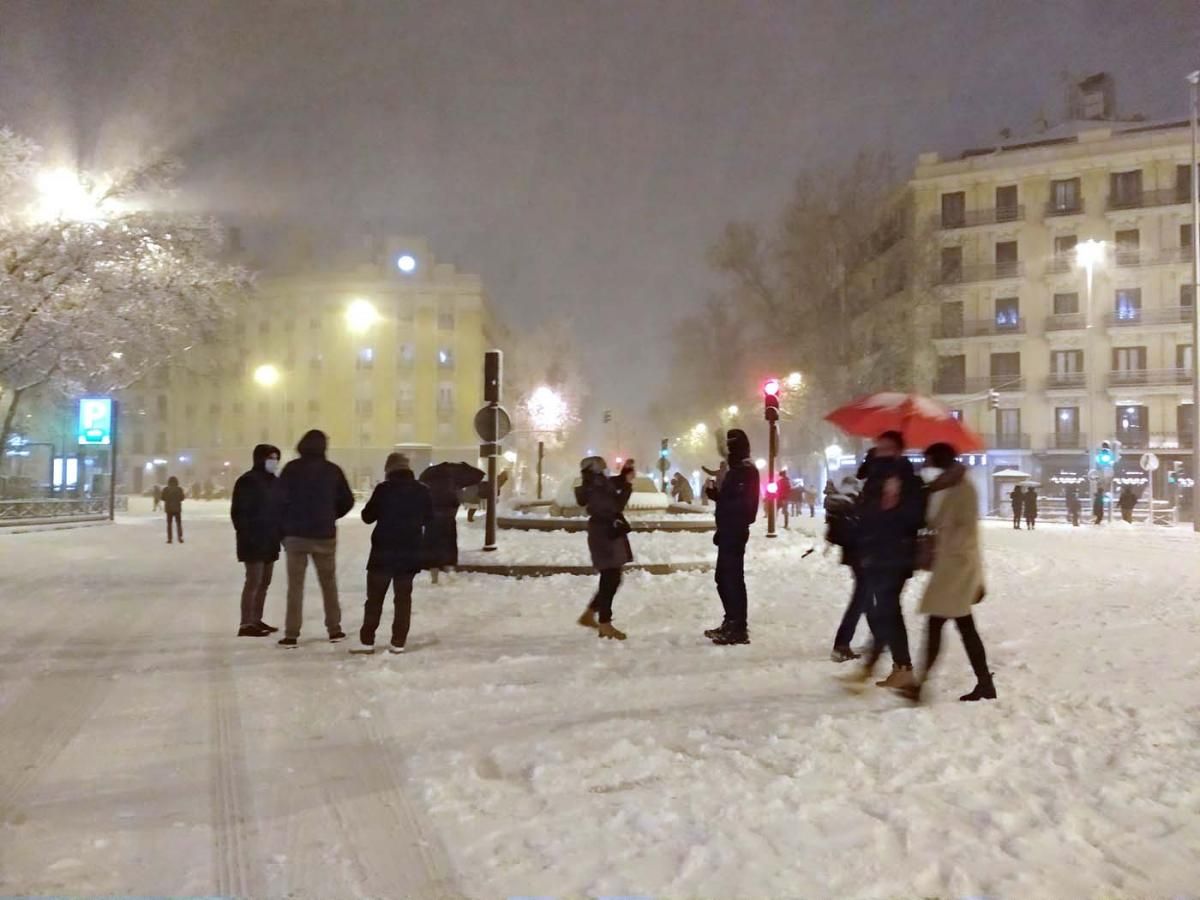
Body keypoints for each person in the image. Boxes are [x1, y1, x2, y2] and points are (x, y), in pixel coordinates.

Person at [898, 443, 995, 703]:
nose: (926, 464)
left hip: (957, 567)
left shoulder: (963, 489)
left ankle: (920, 686)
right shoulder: (949, 486)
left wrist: (940, 537)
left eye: (929, 459)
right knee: (963, 627)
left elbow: (965, 532)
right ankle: (984, 683)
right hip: (953, 568)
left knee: (937, 623)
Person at [844, 431, 924, 690]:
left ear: (899, 451)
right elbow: (866, 513)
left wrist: (894, 505)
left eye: (888, 447)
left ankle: (895, 668)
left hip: (895, 554)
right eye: (879, 447)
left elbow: (916, 518)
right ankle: (895, 668)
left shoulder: (907, 479)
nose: (882, 451)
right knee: (885, 611)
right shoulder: (875, 477)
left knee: (886, 611)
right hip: (875, 552)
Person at [275, 429, 354, 648]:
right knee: (329, 584)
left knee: (295, 587)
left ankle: (291, 634)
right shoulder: (333, 471)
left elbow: (278, 501)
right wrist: (330, 514)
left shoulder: (291, 470)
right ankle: (335, 629)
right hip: (324, 536)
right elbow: (347, 500)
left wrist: (284, 527)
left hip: (296, 536)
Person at [352, 453, 433, 654]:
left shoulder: (383, 490)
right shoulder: (422, 491)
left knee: (374, 599)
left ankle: (367, 641)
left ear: (389, 470)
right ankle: (398, 642)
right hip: (409, 553)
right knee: (403, 599)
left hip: (383, 553)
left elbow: (367, 517)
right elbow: (429, 518)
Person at [703, 429, 760, 645]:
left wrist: (725, 504)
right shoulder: (736, 470)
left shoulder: (747, 471)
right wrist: (716, 495)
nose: (727, 450)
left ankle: (738, 627)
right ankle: (731, 621)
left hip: (735, 533)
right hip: (728, 531)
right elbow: (731, 500)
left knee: (732, 579)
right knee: (723, 578)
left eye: (730, 446)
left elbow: (747, 508)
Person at [575, 456, 635, 640]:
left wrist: (624, 475)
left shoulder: (595, 482)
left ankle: (590, 614)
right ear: (594, 469)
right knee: (611, 577)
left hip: (606, 532)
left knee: (612, 577)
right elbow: (615, 504)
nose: (605, 469)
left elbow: (610, 483)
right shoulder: (594, 485)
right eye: (601, 467)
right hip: (605, 534)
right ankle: (604, 622)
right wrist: (627, 486)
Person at [231, 444, 283, 637]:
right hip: (252, 540)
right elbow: (239, 513)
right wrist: (246, 534)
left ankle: (256, 618)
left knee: (265, 582)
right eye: (271, 457)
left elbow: (280, 509)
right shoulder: (247, 481)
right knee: (254, 580)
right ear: (260, 459)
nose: (274, 462)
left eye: (277, 458)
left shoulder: (275, 482)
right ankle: (246, 623)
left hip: (270, 540)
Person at [420, 461, 485, 584]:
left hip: (431, 519)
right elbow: (477, 475)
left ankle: (434, 578)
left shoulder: (428, 478)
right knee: (449, 544)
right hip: (447, 518)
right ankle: (449, 569)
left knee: (432, 547)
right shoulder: (452, 478)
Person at [825, 475, 864, 662]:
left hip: (852, 554)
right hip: (864, 554)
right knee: (861, 599)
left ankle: (882, 636)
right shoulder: (857, 499)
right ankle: (841, 644)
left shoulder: (841, 500)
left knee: (865, 597)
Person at [162, 476, 185, 544]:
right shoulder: (179, 489)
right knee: (178, 524)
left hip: (169, 509)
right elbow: (182, 498)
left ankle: (169, 538)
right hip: (177, 509)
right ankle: (180, 537)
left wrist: (168, 500)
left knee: (169, 524)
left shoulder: (166, 489)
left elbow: (162, 498)